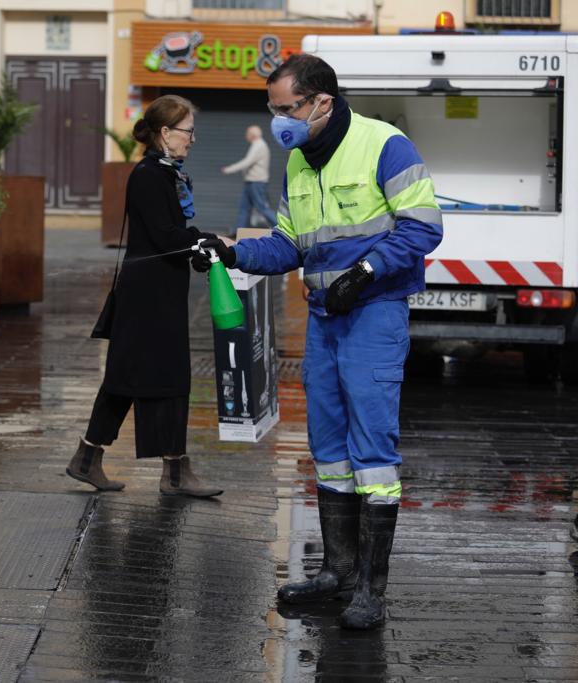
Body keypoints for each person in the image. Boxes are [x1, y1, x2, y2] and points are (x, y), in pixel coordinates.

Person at [194, 54, 443, 629]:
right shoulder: (300, 163)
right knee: (328, 448)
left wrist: (369, 271)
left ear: (321, 102)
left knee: (372, 453)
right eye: (273, 110)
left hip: (374, 315)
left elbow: (423, 224)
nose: (279, 121)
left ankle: (372, 592)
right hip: (325, 320)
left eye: (287, 109)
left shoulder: (385, 145)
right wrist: (232, 251)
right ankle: (338, 571)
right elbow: (288, 244)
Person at [67, 94, 223, 499]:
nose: (193, 138)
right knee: (153, 377)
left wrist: (197, 248)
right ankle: (173, 472)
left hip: (157, 289)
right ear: (166, 133)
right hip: (147, 294)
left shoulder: (165, 172)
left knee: (132, 376)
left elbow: (169, 238)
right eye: (188, 131)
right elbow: (165, 236)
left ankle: (91, 459)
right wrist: (206, 241)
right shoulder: (150, 176)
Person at [221, 125, 277, 235]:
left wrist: (229, 169)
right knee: (244, 208)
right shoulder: (257, 145)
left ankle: (281, 228)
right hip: (251, 182)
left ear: (252, 135)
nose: (246, 136)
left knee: (262, 208)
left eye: (247, 133)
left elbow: (247, 162)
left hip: (257, 182)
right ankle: (237, 232)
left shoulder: (259, 145)